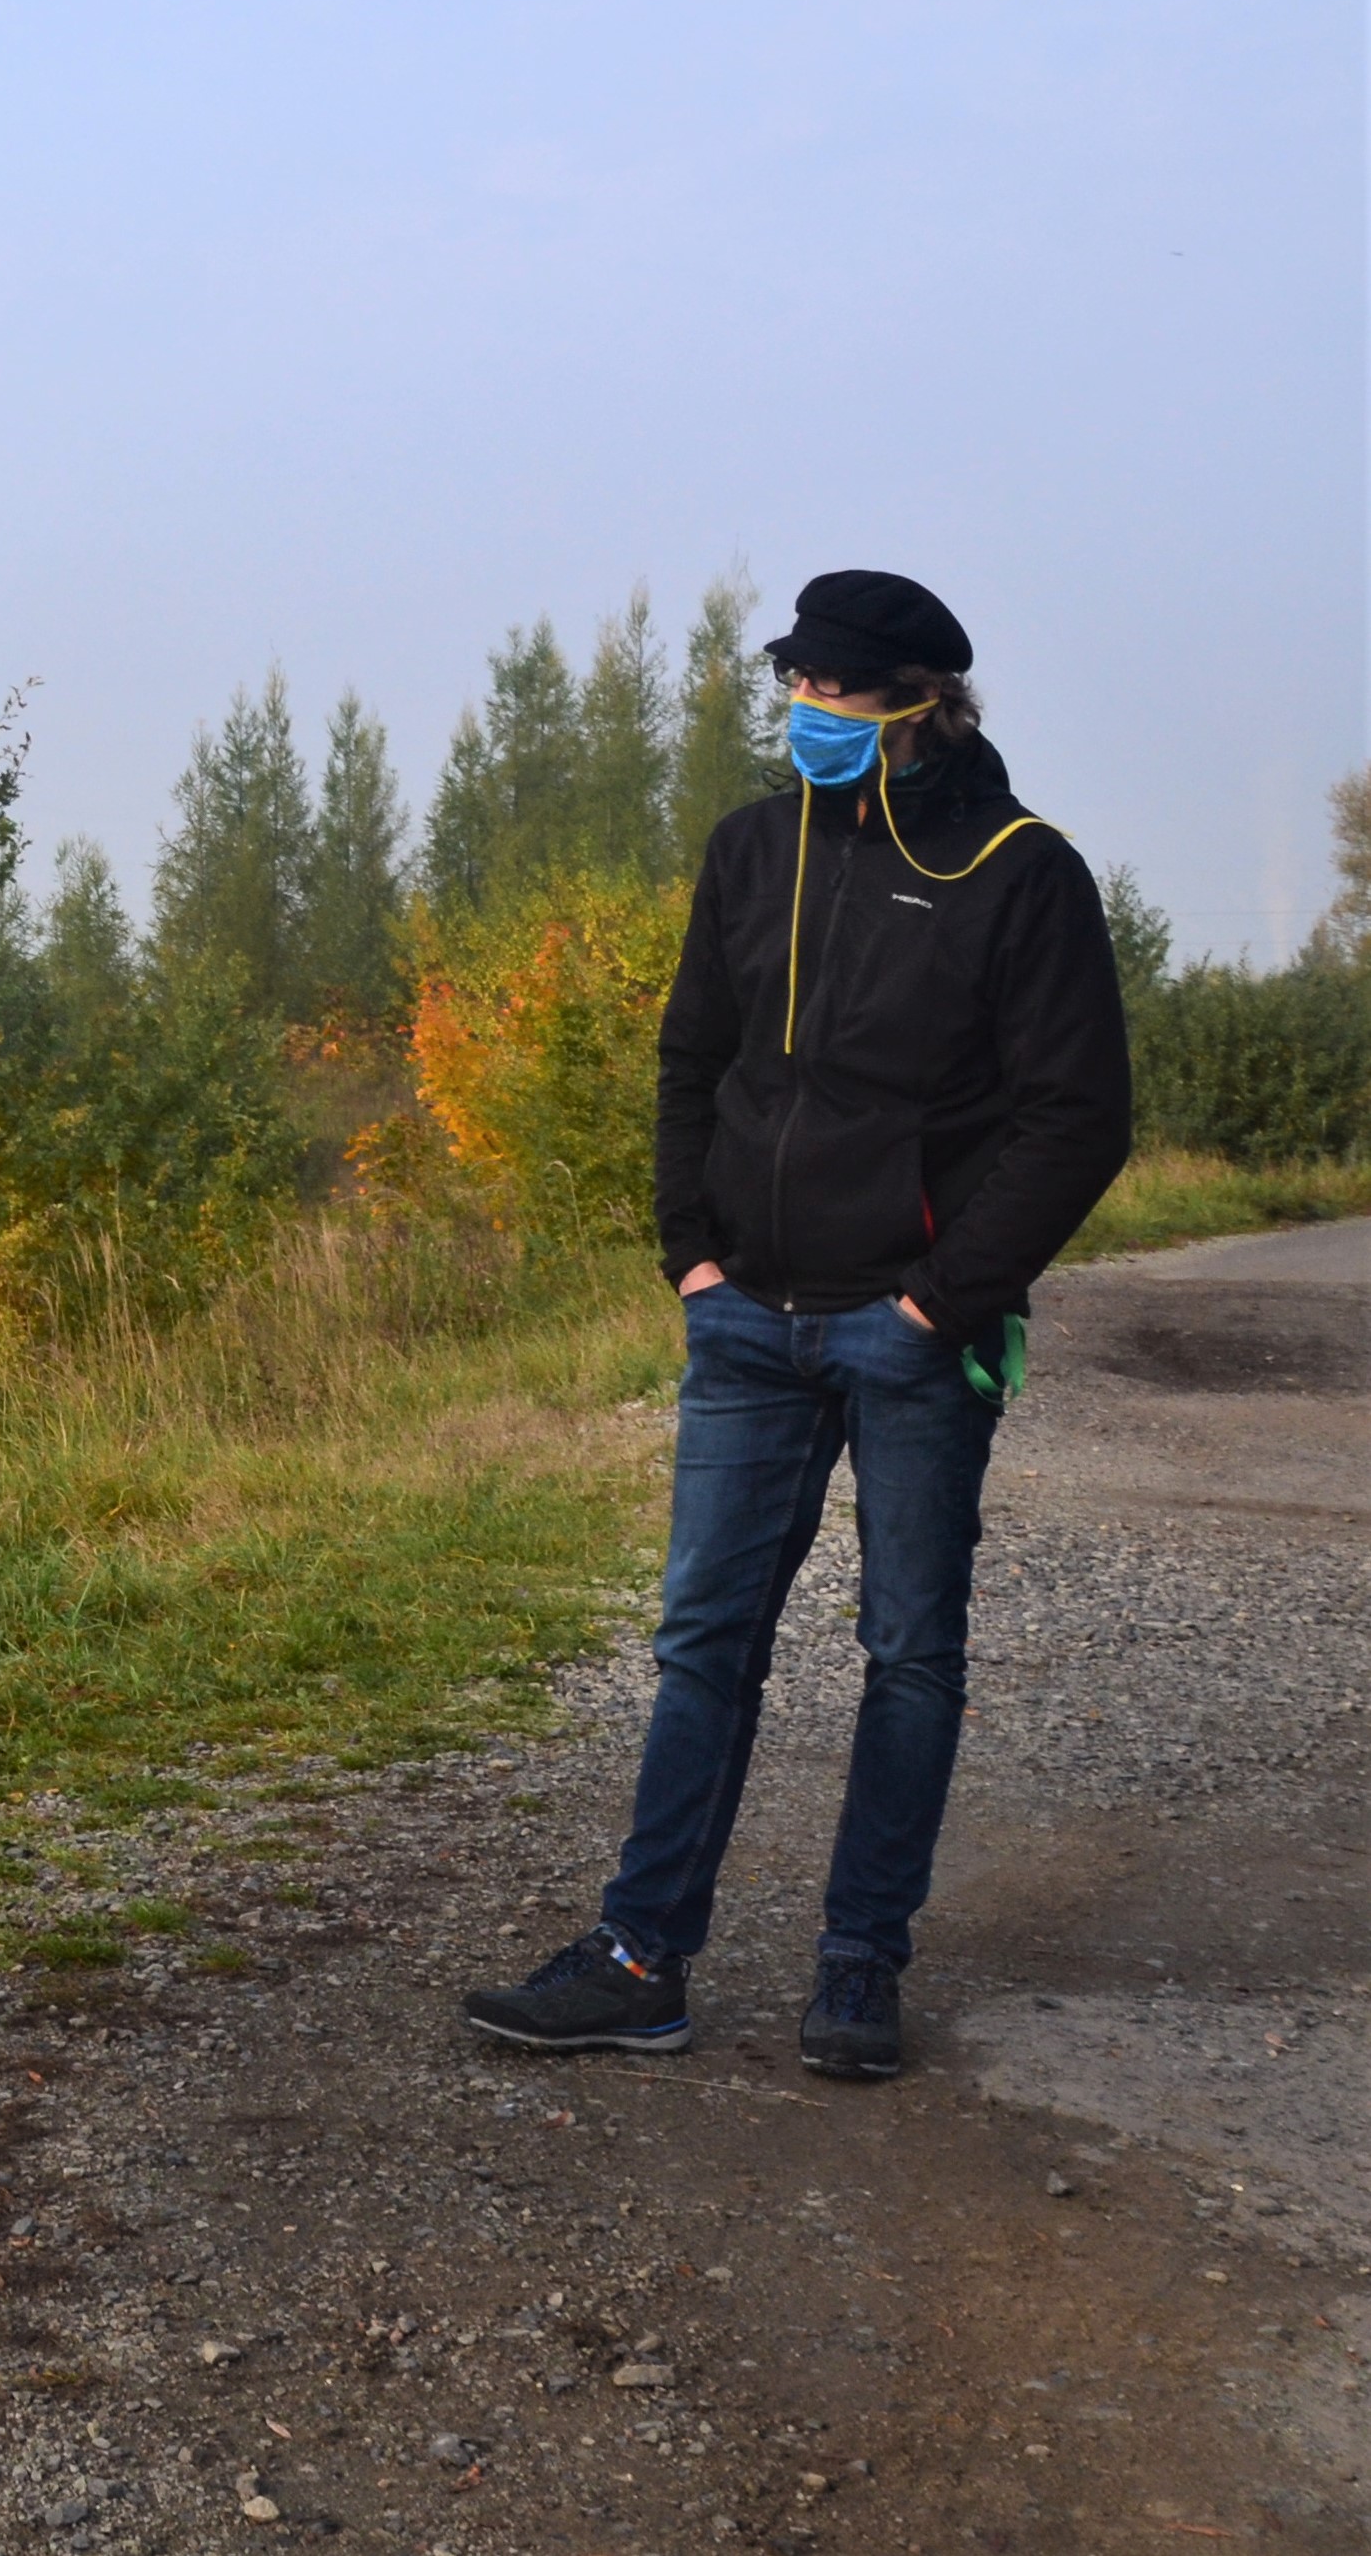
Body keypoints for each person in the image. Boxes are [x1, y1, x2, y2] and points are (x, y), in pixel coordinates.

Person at [464, 570, 1131, 2081]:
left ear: (922, 701)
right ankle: (641, 1961)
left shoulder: (1022, 872)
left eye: (841, 691)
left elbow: (1077, 1120)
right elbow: (691, 1055)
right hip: (746, 1323)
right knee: (705, 1642)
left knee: (909, 1652)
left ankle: (858, 1970)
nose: (811, 712)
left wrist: (936, 1303)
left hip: (909, 1335)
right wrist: (688, 1257)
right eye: (799, 687)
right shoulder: (751, 849)